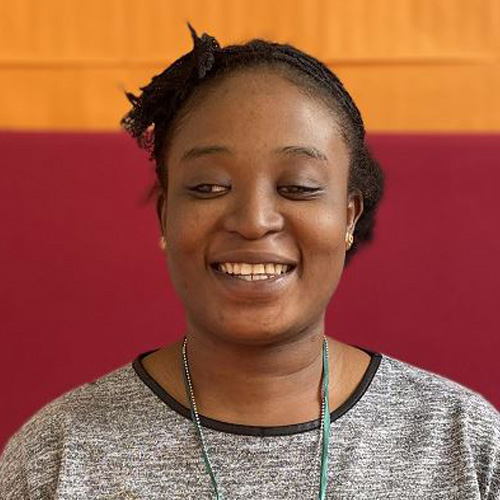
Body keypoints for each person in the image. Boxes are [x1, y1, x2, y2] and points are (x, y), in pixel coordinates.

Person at [1, 23, 499, 500]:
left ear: (349, 218)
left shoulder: (461, 443)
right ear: (165, 217)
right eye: (209, 187)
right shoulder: (58, 457)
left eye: (297, 187)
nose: (254, 221)